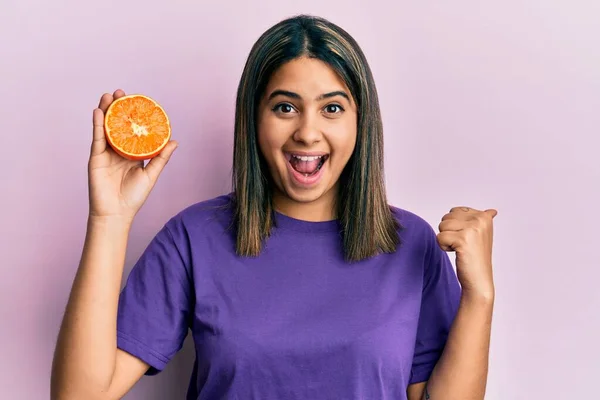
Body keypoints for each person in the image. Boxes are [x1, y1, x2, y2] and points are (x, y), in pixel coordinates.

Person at [51, 14, 497, 400]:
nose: (307, 132)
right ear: (254, 118)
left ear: (361, 123)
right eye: (285, 107)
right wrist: (109, 219)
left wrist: (479, 296)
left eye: (332, 109)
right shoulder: (194, 238)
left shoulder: (411, 243)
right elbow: (81, 395)